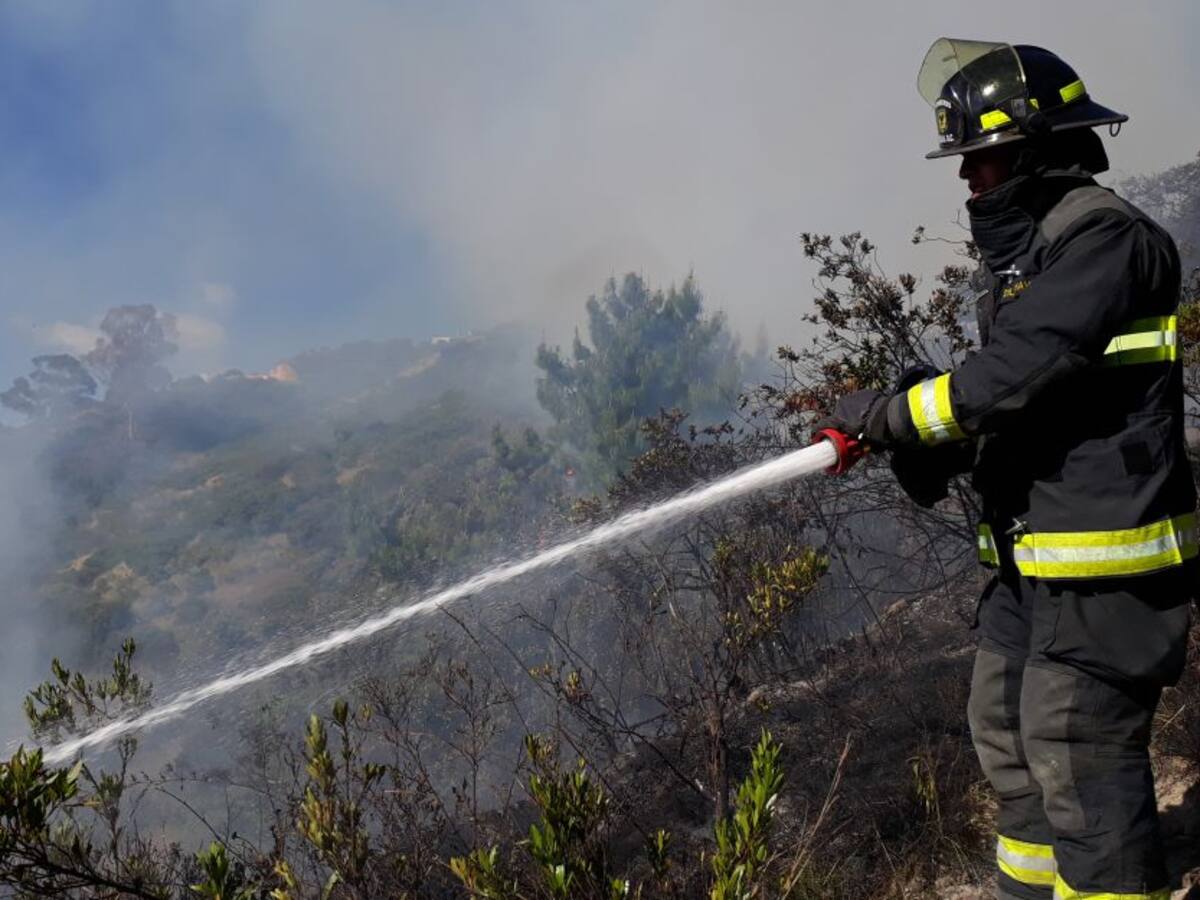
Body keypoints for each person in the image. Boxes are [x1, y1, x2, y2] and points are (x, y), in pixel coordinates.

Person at [818, 38, 1195, 900]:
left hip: (1106, 573)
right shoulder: (1036, 266)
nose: (968, 182)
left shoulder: (1108, 243)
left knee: (1078, 756)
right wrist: (912, 436)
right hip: (1034, 568)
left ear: (1034, 151)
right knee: (1007, 738)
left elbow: (1011, 376)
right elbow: (1027, 404)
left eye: (981, 161)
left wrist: (890, 414)